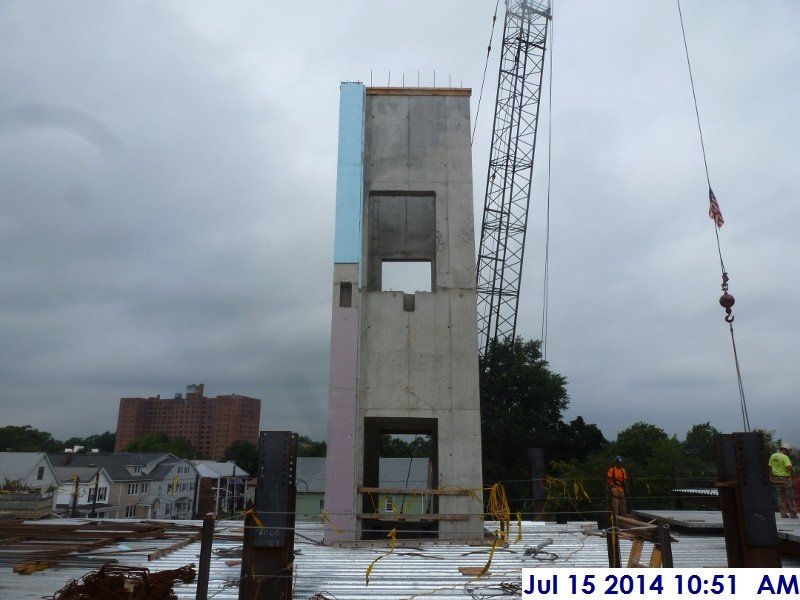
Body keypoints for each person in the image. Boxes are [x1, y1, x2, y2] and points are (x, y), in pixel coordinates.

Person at [769, 444, 797, 518]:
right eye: (788, 451)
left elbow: (770, 466)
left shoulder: (773, 456)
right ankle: (793, 513)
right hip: (785, 479)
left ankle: (783, 514)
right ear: (785, 450)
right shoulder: (785, 457)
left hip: (776, 479)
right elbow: (788, 467)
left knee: (780, 496)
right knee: (790, 496)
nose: (788, 452)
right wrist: (791, 469)